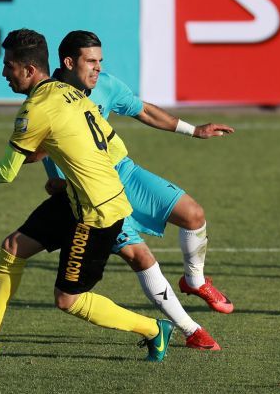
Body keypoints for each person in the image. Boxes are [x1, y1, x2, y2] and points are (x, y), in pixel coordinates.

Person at [0, 28, 173, 362]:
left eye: (9, 66)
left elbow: (5, 172)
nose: (4, 73)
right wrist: (77, 176)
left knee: (68, 300)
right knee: (13, 247)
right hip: (80, 197)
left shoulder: (35, 110)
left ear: (29, 70)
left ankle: (153, 329)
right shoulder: (70, 92)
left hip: (95, 213)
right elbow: (114, 146)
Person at [47, 30, 235, 315]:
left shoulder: (105, 85)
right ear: (69, 63)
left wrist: (195, 130)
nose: (98, 68)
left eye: (100, 61)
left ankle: (194, 281)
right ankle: (191, 330)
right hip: (91, 195)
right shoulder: (46, 100)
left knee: (193, 215)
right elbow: (32, 149)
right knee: (141, 257)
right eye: (91, 61)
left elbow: (143, 111)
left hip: (123, 173)